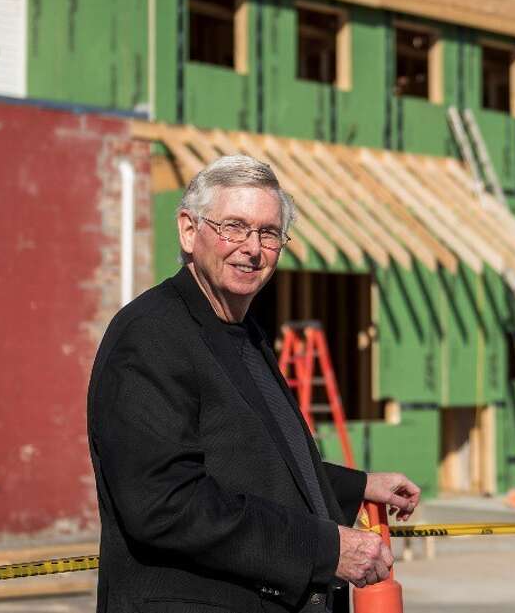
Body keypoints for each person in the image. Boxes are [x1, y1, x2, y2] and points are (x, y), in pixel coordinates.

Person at [87, 155, 420, 612]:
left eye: (268, 233)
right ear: (188, 230)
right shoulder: (150, 335)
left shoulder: (242, 330)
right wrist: (325, 549)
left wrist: (358, 485)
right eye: (233, 226)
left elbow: (251, 462)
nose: (252, 248)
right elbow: (166, 504)